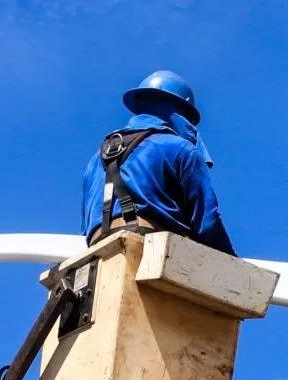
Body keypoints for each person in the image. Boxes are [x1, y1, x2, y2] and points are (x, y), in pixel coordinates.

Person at [82, 70, 235, 255]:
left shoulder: (96, 159)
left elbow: (86, 226)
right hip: (148, 250)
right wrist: (234, 266)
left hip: (98, 257)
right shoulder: (180, 148)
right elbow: (208, 223)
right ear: (179, 111)